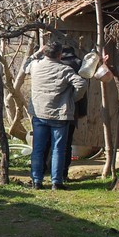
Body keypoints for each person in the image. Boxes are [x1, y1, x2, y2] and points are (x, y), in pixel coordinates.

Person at [26, 41, 86, 190]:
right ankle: (56, 182)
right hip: (60, 114)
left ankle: (36, 180)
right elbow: (82, 84)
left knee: (38, 149)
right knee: (58, 149)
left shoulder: (35, 65)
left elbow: (25, 65)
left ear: (44, 52)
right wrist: (73, 99)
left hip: (39, 113)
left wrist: (37, 53)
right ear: (60, 55)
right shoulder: (65, 70)